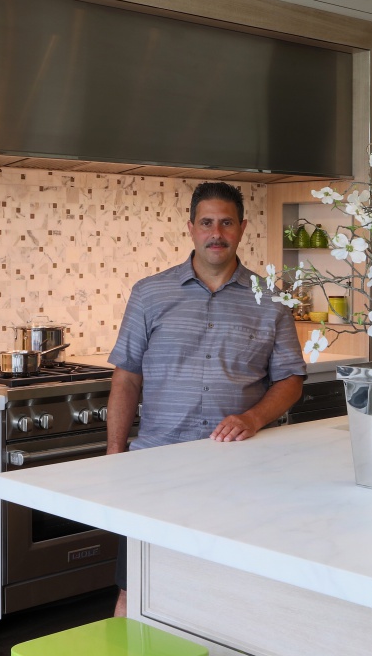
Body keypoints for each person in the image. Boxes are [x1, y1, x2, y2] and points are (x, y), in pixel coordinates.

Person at [105, 181, 306, 615]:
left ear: (242, 228)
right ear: (191, 228)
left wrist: (252, 419)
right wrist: (115, 454)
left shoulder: (270, 298)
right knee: (134, 587)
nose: (217, 233)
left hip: (236, 469)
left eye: (226, 223)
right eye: (207, 223)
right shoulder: (149, 293)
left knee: (223, 588)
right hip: (157, 464)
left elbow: (290, 379)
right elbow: (126, 378)